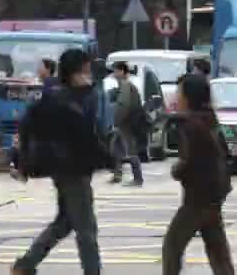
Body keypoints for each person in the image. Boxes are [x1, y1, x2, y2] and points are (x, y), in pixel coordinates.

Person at [11, 49, 107, 275]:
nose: (89, 72)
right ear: (75, 71)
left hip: (70, 169)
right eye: (85, 68)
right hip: (71, 170)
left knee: (65, 222)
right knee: (86, 229)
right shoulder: (63, 98)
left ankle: (26, 265)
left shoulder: (76, 95)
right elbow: (82, 133)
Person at [162, 74, 234, 275]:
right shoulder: (211, 119)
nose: (177, 98)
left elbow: (190, 162)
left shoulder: (192, 126)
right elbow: (225, 154)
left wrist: (177, 171)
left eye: (180, 93)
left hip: (197, 199)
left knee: (172, 246)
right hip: (214, 196)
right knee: (218, 252)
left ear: (189, 97)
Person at [110, 61, 145, 186]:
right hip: (126, 122)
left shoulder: (125, 85)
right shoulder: (124, 85)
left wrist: (117, 121)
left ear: (121, 72)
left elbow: (123, 105)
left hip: (126, 123)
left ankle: (138, 178)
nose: (113, 73)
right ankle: (117, 174)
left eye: (115, 70)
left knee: (130, 150)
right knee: (116, 147)